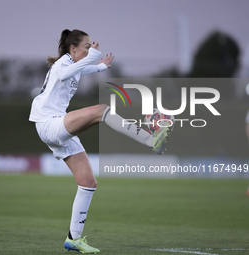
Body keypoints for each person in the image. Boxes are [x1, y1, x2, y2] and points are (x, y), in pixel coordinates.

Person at [29, 29, 170, 254]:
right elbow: (68, 73)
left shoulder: (73, 64)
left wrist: (100, 67)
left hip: (55, 126)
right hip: (49, 124)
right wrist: (93, 57)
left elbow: (82, 69)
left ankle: (73, 239)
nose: (90, 49)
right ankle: (151, 140)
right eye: (86, 46)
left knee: (88, 181)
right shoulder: (62, 65)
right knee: (101, 111)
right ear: (72, 49)